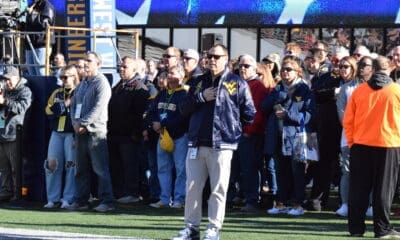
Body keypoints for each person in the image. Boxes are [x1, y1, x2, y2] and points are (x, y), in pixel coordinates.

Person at [172, 44, 255, 240]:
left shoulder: (237, 83)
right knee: (192, 188)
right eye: (210, 56)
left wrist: (232, 131)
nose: (212, 60)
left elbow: (249, 113)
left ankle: (213, 228)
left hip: (222, 144)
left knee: (218, 189)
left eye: (217, 56)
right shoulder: (198, 82)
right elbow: (183, 108)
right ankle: (191, 229)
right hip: (197, 142)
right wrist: (201, 97)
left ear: (226, 58)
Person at [343, 56, 400, 238]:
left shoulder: (359, 92)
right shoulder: (396, 91)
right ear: (389, 69)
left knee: (358, 189)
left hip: (361, 145)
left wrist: (352, 142)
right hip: (389, 144)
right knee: (384, 189)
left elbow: (348, 121)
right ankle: (382, 229)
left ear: (372, 70)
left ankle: (356, 229)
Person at [263, 58, 315, 216]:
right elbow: (263, 106)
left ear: (297, 71)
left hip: (297, 136)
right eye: (283, 70)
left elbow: (309, 115)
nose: (285, 72)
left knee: (297, 172)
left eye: (289, 69)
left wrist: (289, 115)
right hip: (278, 135)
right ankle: (281, 202)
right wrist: (277, 97)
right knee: (281, 170)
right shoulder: (278, 89)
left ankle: (298, 204)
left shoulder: (304, 89)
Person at [68, 51, 114, 213]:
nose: (86, 64)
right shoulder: (82, 84)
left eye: (89, 61)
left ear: (98, 64)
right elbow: (73, 105)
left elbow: (98, 107)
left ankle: (106, 201)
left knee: (100, 168)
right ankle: (81, 200)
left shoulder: (102, 83)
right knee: (80, 168)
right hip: (80, 131)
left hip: (96, 133)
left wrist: (83, 123)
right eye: (85, 60)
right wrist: (75, 122)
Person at [108, 56, 149, 204]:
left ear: (134, 69)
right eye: (120, 66)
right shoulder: (119, 85)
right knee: (116, 165)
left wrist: (136, 133)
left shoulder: (139, 87)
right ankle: (119, 192)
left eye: (125, 67)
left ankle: (132, 193)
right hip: (114, 133)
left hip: (129, 135)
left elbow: (139, 114)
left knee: (130, 165)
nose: (121, 69)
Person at [335, 56, 373, 217]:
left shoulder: (377, 88)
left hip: (372, 138)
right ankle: (346, 205)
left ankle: (370, 205)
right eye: (360, 64)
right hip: (349, 138)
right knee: (348, 171)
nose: (362, 67)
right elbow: (342, 115)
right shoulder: (346, 88)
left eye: (366, 65)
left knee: (370, 172)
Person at [148, 65, 189, 209]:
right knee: (163, 169)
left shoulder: (185, 93)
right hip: (162, 135)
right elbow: (152, 110)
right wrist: (154, 123)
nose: (169, 76)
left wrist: (163, 124)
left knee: (181, 169)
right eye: (168, 74)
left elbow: (182, 116)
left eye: (172, 73)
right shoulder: (162, 93)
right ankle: (164, 199)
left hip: (179, 136)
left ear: (181, 76)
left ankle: (179, 200)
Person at [236, 55, 270, 212]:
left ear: (255, 68)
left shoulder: (257, 86)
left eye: (247, 66)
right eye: (241, 66)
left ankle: (252, 200)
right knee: (241, 168)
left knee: (250, 168)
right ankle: (243, 197)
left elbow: (256, 112)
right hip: (237, 133)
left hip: (250, 134)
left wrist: (249, 131)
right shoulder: (239, 83)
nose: (243, 68)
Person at [44, 65, 79, 209]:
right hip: (56, 133)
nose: (63, 80)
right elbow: (48, 111)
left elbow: (79, 113)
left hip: (71, 133)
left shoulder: (79, 91)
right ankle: (53, 199)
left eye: (66, 77)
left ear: (74, 76)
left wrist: (59, 110)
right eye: (61, 77)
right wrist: (63, 107)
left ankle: (68, 198)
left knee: (71, 165)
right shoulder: (57, 92)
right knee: (51, 165)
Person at [0, 67, 32, 201]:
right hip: (2, 133)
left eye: (9, 79)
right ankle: (6, 191)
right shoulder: (4, 91)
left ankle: (18, 194)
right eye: (4, 79)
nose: (6, 82)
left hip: (15, 135)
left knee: (15, 168)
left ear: (16, 78)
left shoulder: (25, 90)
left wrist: (5, 101)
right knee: (4, 168)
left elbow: (22, 108)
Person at [24, 0, 55, 76]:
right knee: (31, 72)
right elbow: (29, 24)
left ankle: (44, 88)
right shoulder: (32, 5)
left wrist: (32, 14)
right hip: (30, 43)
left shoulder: (47, 5)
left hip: (41, 43)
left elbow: (46, 22)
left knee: (41, 72)